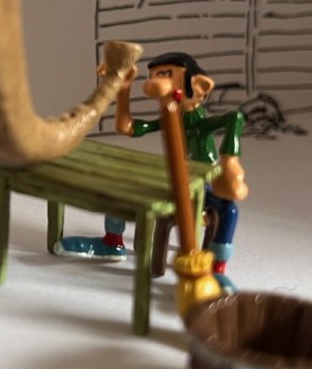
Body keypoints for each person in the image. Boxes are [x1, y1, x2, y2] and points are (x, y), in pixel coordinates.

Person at [54, 52, 248, 290]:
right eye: (155, 75)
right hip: (170, 181)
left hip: (202, 187)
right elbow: (126, 127)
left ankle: (217, 269)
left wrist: (230, 161)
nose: (157, 82)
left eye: (166, 75)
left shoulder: (200, 124)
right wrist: (124, 90)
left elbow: (235, 117)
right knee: (124, 185)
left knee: (229, 210)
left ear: (199, 86)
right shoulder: (168, 117)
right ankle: (113, 241)